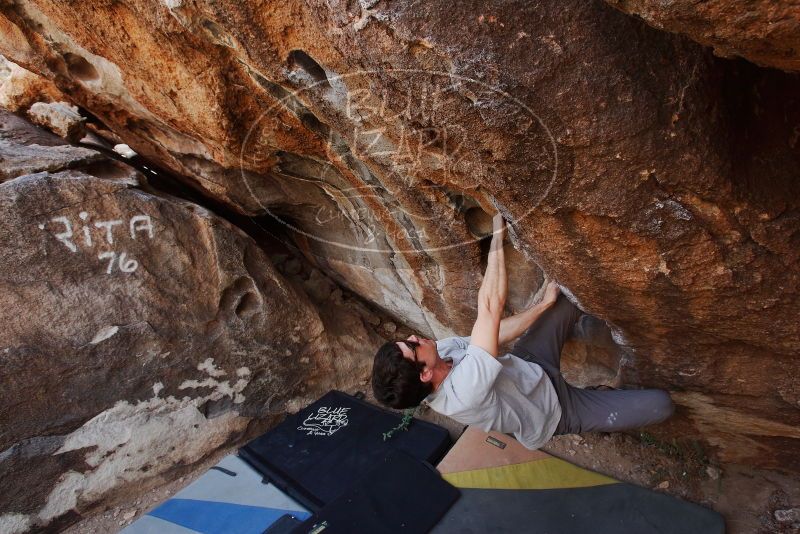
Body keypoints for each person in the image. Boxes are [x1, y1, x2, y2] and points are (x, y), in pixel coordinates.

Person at [371, 213, 674, 449]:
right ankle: (596, 398)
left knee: (566, 296)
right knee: (662, 405)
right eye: (412, 347)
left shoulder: (441, 351)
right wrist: (498, 237)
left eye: (406, 340)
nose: (414, 338)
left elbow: (495, 332)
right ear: (425, 374)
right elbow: (490, 308)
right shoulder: (463, 394)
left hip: (530, 363)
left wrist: (544, 305)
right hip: (557, 411)